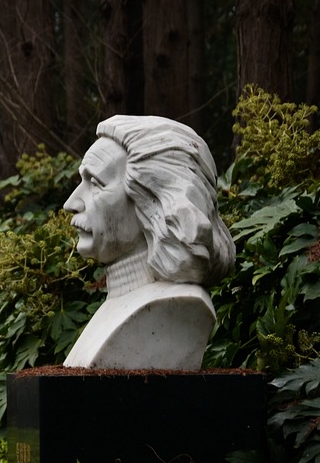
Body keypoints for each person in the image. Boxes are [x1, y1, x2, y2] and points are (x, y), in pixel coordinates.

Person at [62, 115, 235, 370]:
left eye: (95, 183)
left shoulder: (176, 306)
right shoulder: (118, 303)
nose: (71, 203)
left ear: (153, 199)